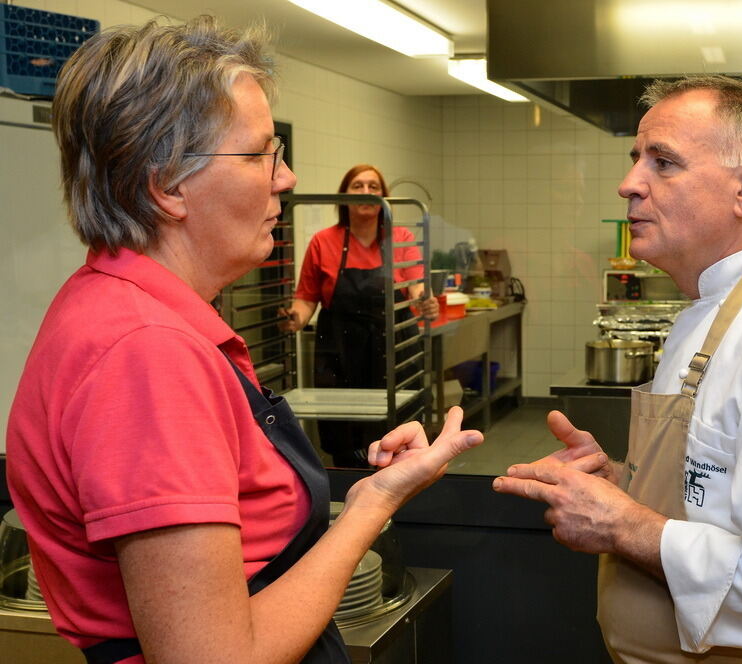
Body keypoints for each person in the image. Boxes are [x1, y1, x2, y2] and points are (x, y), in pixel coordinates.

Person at [5, 16, 482, 664]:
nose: (285, 179)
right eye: (261, 154)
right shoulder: (146, 353)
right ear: (167, 183)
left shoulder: (128, 311)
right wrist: (372, 504)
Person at [493, 75, 742, 663]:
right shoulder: (702, 316)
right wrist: (621, 488)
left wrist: (624, 527)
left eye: (664, 163)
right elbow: (714, 503)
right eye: (635, 160)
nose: (628, 184)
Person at [279, 165, 438, 468]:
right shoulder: (323, 241)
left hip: (393, 351)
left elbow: (417, 286)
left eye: (373, 187)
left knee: (397, 439)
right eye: (357, 186)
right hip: (340, 351)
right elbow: (306, 297)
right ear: (344, 196)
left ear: (384, 197)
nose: (366, 193)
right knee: (345, 437)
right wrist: (294, 318)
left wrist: (426, 300)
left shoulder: (400, 237)